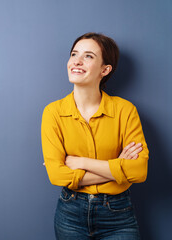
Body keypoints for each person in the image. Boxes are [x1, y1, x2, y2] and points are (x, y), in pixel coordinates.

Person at [41, 32, 148, 239]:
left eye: (88, 56)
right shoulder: (52, 112)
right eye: (74, 54)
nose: (77, 61)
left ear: (105, 69)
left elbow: (139, 171)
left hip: (118, 215)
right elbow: (56, 175)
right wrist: (119, 169)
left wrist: (80, 162)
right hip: (70, 214)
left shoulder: (125, 110)